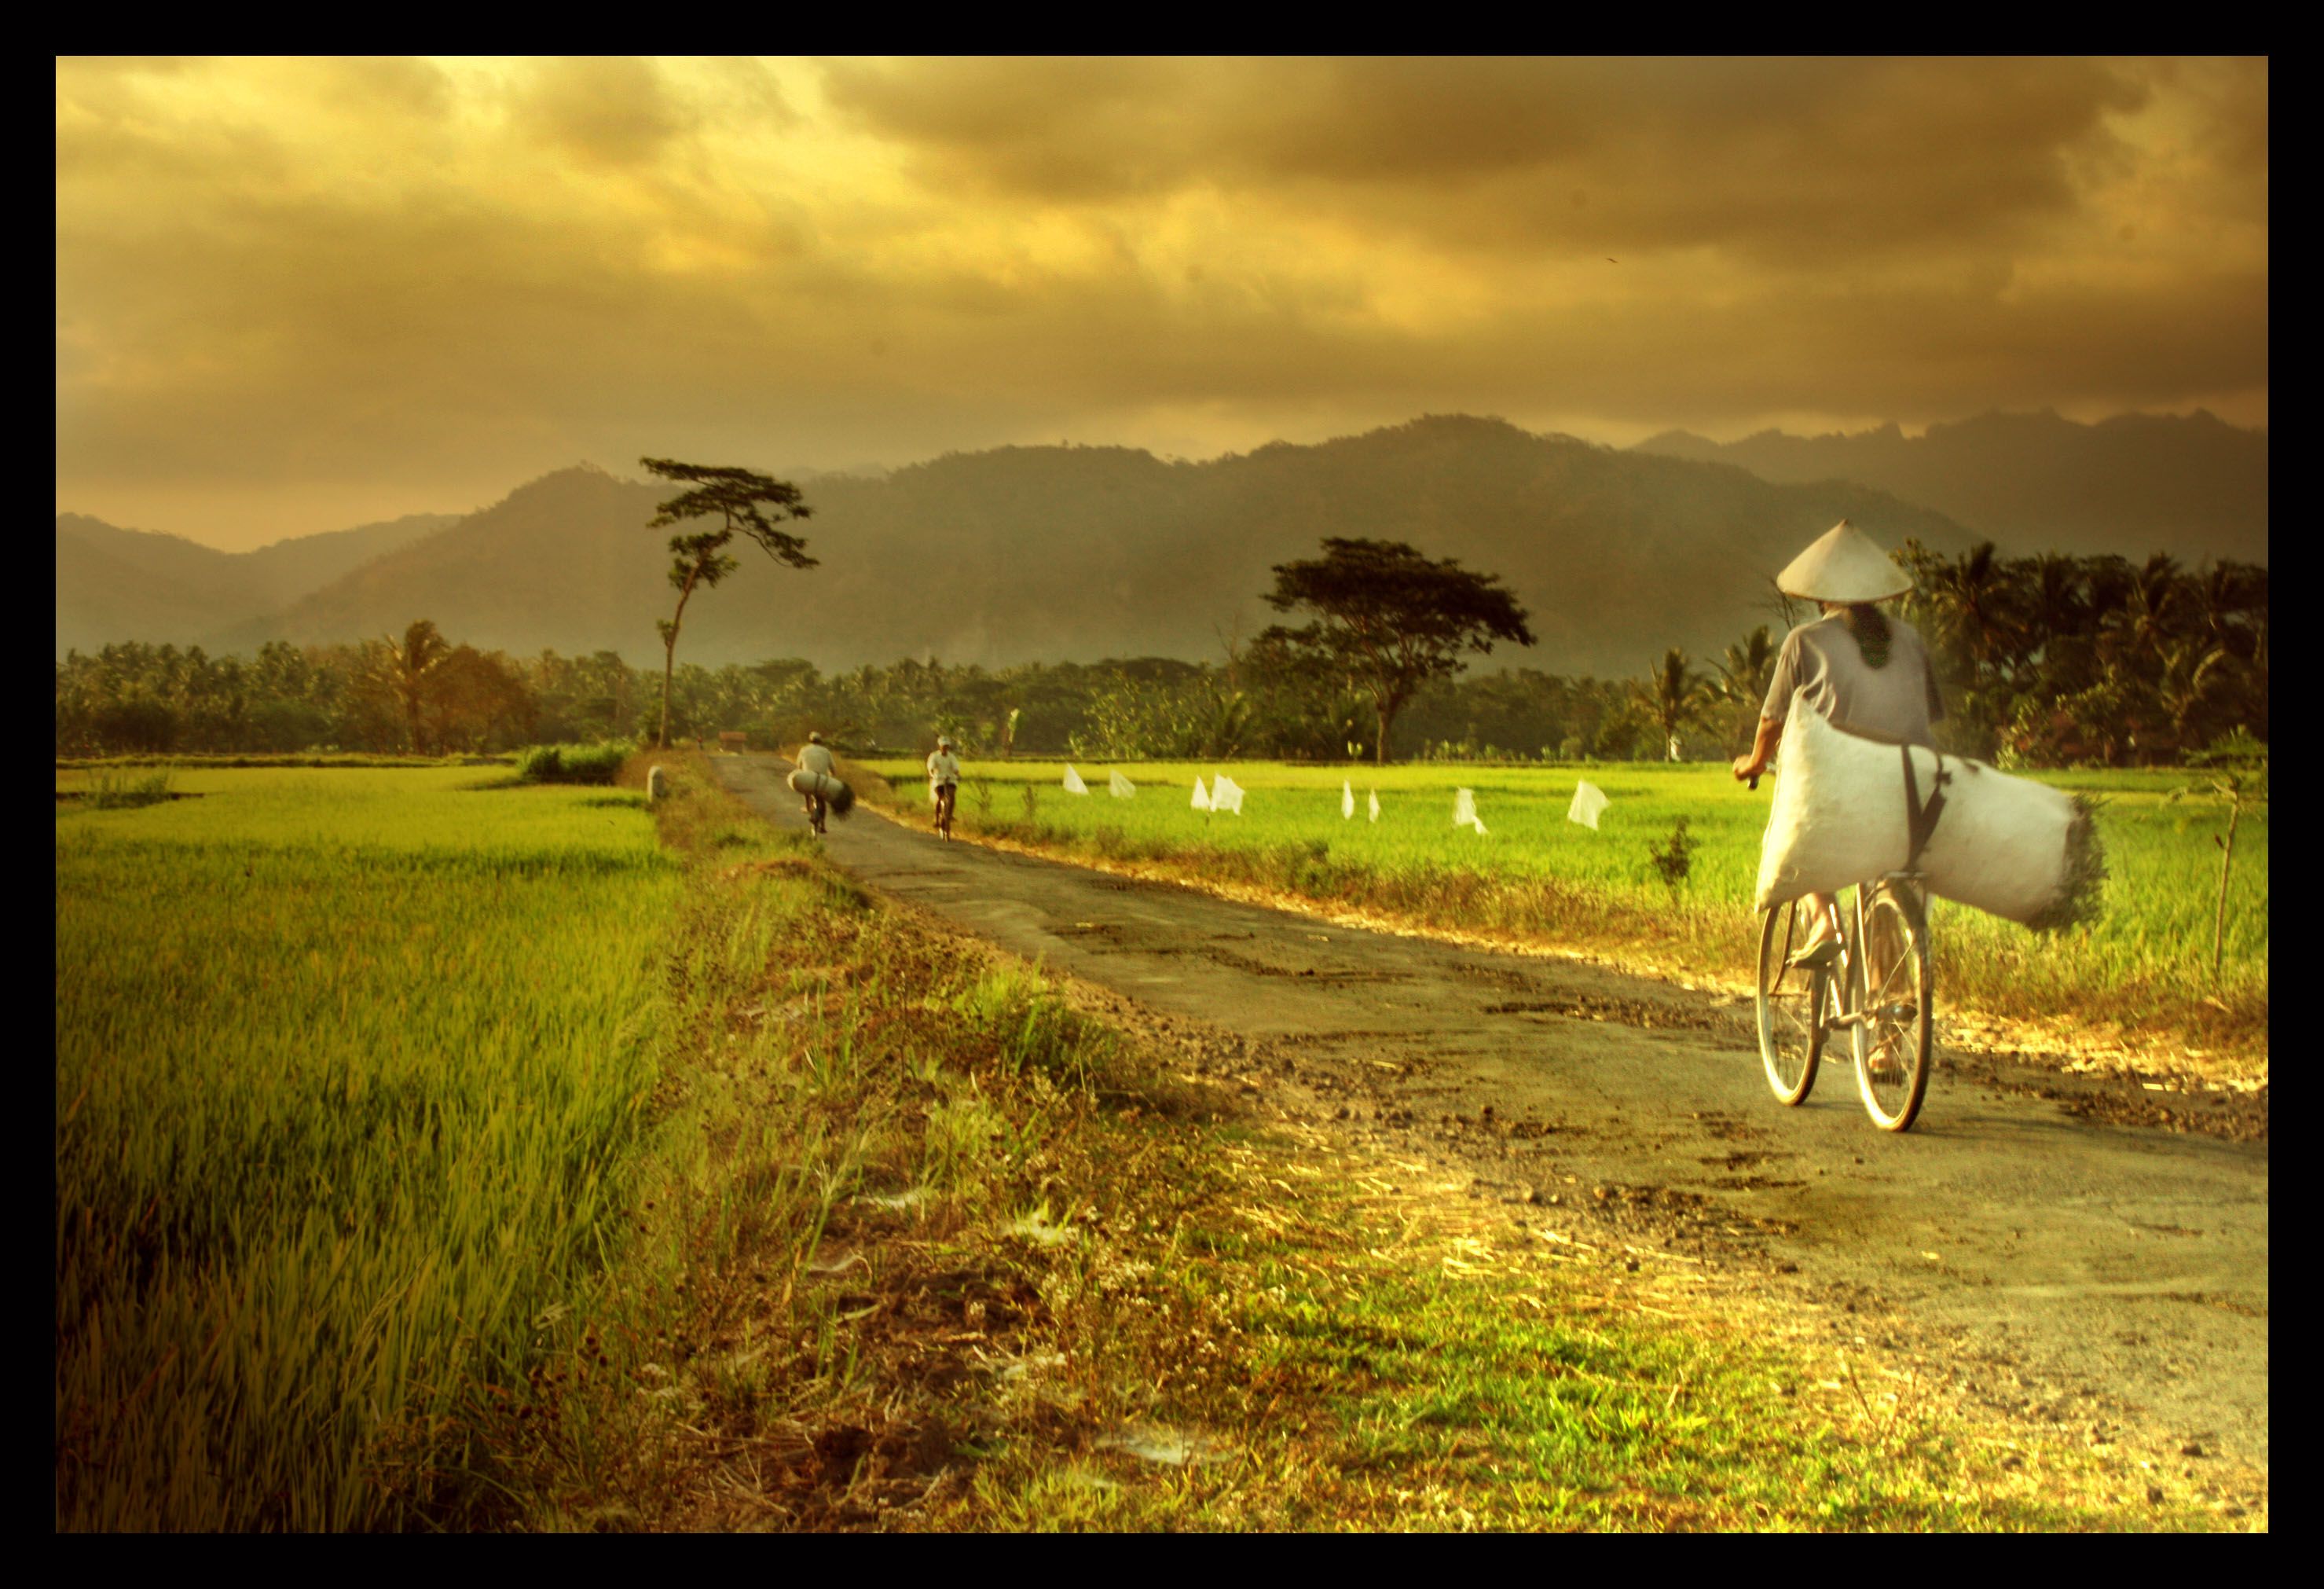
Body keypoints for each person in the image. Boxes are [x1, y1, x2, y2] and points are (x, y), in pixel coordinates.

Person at [1732, 520, 1945, 966]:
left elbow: (1772, 722)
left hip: (1845, 793)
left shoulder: (1804, 641)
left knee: (1797, 830)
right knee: (1889, 883)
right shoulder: (1911, 641)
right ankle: (1893, 1004)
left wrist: (1754, 763)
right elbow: (1930, 717)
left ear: (1820, 594)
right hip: (1912, 792)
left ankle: (1825, 920)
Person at [796, 729, 837, 835]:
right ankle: (823, 825)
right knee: (822, 800)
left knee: (806, 788)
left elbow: (798, 766)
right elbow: (833, 770)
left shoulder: (804, 750)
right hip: (822, 779)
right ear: (820, 741)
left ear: (810, 741)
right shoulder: (826, 751)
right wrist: (831, 776)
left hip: (808, 778)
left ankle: (808, 806)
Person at [926, 736, 962, 839]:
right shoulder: (934, 756)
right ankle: (937, 817)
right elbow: (931, 767)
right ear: (940, 746)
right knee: (940, 798)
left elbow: (955, 768)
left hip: (950, 779)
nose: (945, 748)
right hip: (939, 780)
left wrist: (957, 774)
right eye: (943, 746)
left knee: (951, 795)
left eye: (947, 747)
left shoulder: (952, 757)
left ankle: (950, 814)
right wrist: (932, 774)